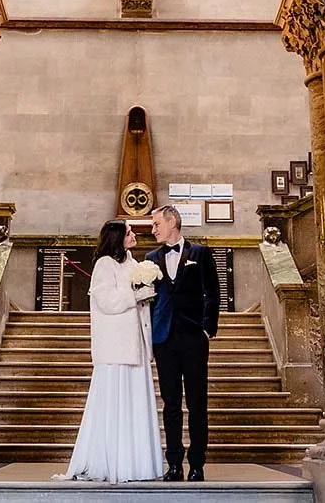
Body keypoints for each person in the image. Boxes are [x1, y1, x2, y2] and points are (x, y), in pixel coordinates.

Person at [60, 220, 165, 483]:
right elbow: (105, 300)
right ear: (117, 238)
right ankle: (112, 461)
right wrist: (136, 296)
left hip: (136, 343)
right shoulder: (104, 264)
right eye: (128, 233)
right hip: (116, 346)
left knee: (135, 402)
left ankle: (137, 461)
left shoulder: (132, 262)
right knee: (115, 403)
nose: (133, 235)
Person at [146, 204, 220, 482]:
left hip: (193, 338)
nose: (153, 230)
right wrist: (151, 336)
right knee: (171, 403)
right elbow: (150, 301)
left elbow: (212, 293)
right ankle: (174, 463)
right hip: (164, 340)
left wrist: (207, 330)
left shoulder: (200, 253)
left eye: (156, 224)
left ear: (172, 222)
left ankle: (197, 463)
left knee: (198, 402)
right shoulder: (151, 258)